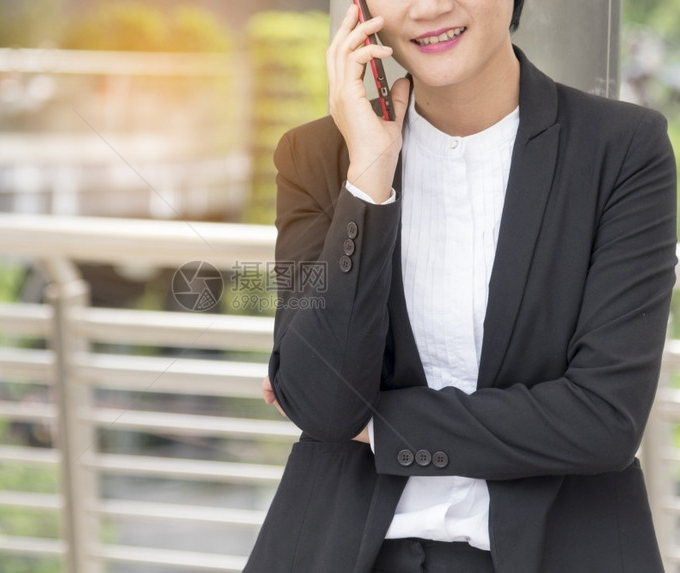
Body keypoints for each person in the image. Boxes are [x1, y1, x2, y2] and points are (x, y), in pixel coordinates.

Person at [245, 0, 678, 572]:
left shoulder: (623, 151)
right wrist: (369, 179)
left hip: (555, 550)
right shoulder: (317, 158)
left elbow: (604, 421)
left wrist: (377, 426)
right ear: (361, 9)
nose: (430, 7)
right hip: (348, 550)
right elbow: (323, 408)